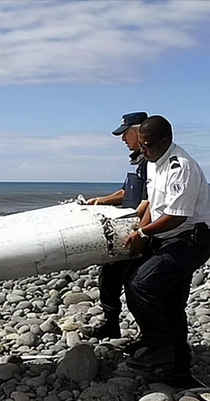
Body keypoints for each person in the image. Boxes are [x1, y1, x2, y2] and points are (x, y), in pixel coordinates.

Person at [124, 116, 210, 384]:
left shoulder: (181, 167)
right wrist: (142, 234)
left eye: (149, 145)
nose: (143, 150)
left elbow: (176, 215)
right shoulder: (154, 161)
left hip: (190, 241)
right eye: (141, 145)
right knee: (168, 301)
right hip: (169, 238)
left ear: (166, 141)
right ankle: (177, 366)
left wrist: (142, 233)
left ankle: (160, 350)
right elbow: (154, 204)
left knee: (142, 286)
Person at [84, 112, 149, 339]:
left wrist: (137, 229)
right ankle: (111, 323)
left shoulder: (151, 162)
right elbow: (125, 193)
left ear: (139, 131)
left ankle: (148, 336)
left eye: (125, 134)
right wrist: (100, 201)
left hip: (140, 231)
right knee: (108, 276)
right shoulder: (135, 161)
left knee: (136, 285)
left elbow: (150, 201)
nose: (123, 140)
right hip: (127, 226)